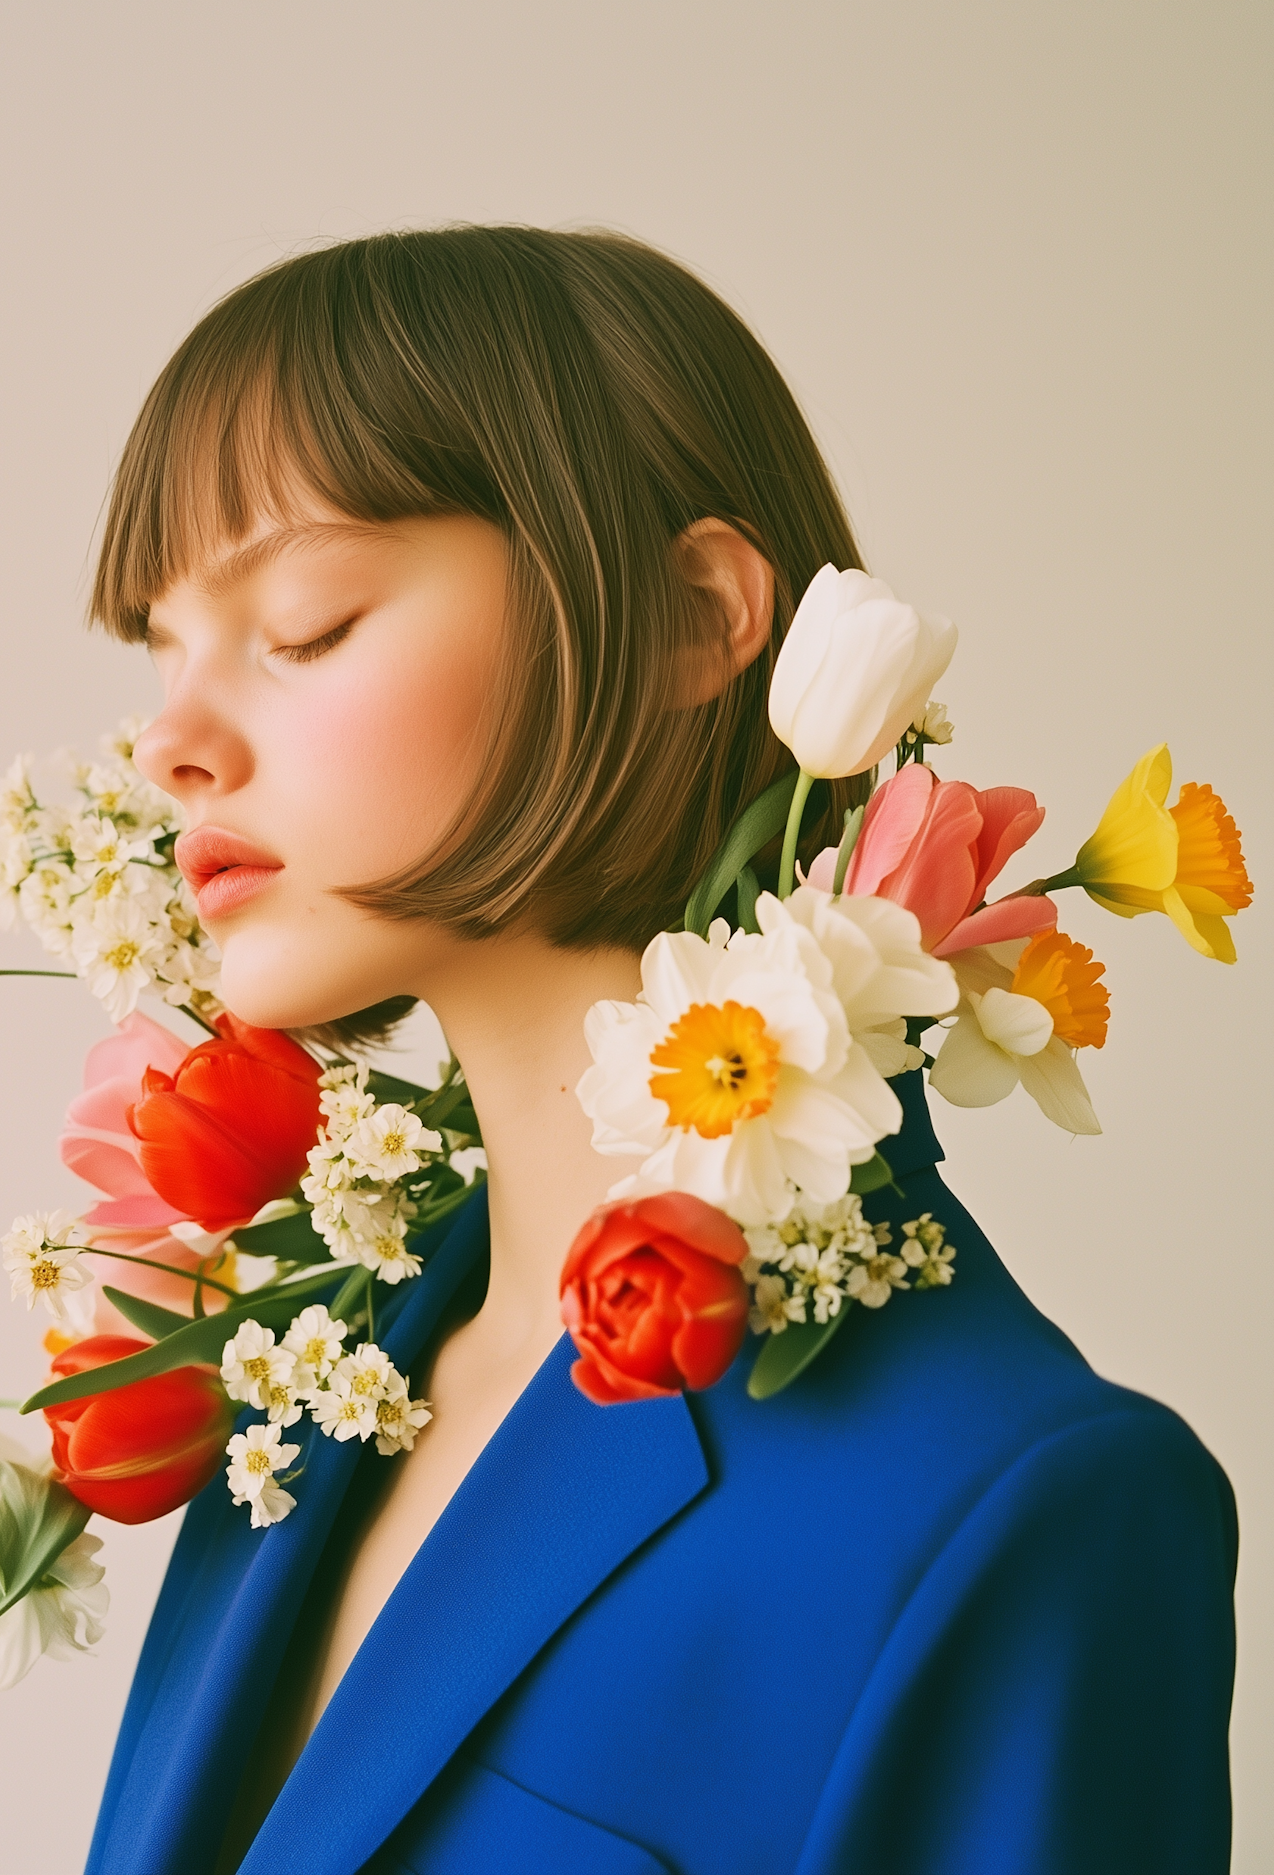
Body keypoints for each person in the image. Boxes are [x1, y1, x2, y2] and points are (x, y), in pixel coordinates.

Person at [82, 227, 1235, 1875]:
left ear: (695, 621)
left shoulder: (1010, 1508)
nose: (171, 744)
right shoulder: (312, 1406)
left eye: (307, 621)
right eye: (160, 646)